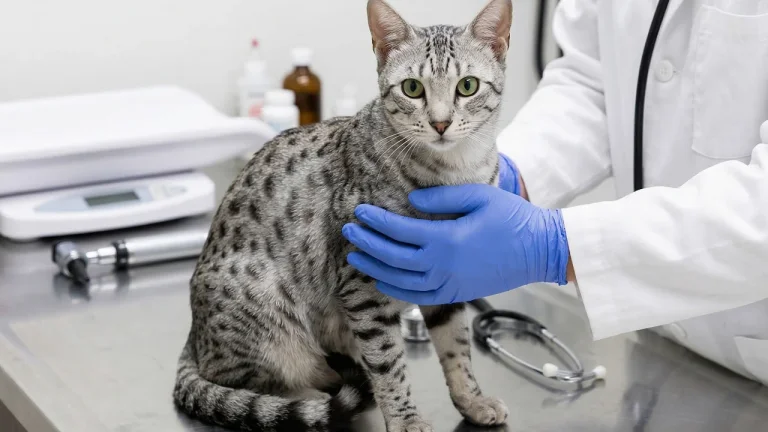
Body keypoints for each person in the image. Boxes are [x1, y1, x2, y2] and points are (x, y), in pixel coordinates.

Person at [341, 1, 768, 385]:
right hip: (659, 348)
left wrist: (556, 246)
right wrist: (511, 176)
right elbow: (591, 80)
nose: (440, 117)